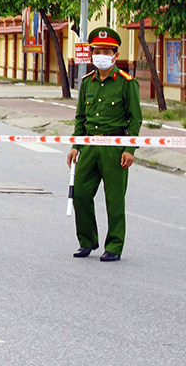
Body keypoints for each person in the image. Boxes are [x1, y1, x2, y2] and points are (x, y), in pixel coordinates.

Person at [66, 27, 142, 262]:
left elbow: (135, 118)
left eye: (105, 51)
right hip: (89, 147)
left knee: (114, 199)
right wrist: (75, 145)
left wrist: (129, 149)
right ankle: (87, 241)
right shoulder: (87, 82)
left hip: (114, 147)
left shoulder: (126, 83)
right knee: (80, 193)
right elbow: (80, 118)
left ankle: (115, 246)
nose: (100, 55)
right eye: (96, 51)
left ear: (115, 55)